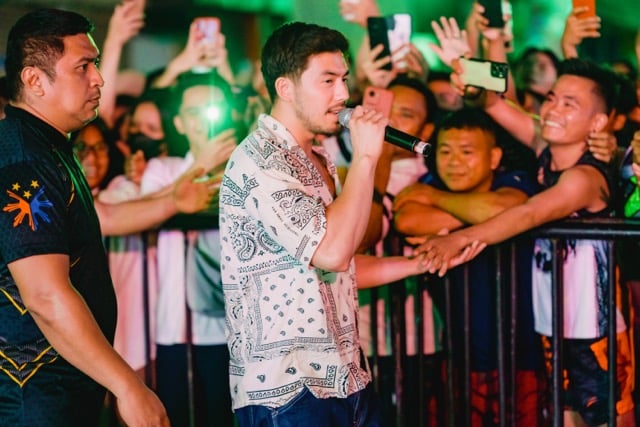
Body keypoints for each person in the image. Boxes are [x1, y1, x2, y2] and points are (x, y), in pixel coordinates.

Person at [0, 8, 215, 426]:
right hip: (34, 397)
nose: (97, 78)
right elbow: (45, 296)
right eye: (83, 66)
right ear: (34, 80)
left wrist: (174, 199)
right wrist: (128, 385)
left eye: (95, 64)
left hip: (57, 392)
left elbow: (104, 216)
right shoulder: (25, 160)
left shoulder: (47, 148)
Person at [218, 21, 429, 426]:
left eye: (345, 79)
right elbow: (331, 253)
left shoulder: (316, 157)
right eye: (328, 80)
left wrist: (423, 261)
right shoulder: (259, 161)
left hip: (345, 372)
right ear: (285, 88)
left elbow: (336, 264)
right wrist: (368, 158)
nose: (344, 95)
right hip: (286, 389)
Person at [414, 59, 635, 427]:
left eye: (570, 104)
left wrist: (462, 238)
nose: (553, 109)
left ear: (598, 123)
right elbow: (496, 105)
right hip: (553, 326)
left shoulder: (584, 176)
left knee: (610, 420)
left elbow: (531, 213)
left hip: (595, 333)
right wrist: (474, 87)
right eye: (552, 97)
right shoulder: (545, 149)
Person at [393, 107, 544, 425]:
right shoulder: (432, 181)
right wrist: (487, 217)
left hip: (523, 353)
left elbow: (506, 205)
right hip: (461, 353)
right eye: (445, 151)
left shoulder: (514, 180)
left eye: (466, 151)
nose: (454, 161)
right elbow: (408, 218)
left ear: (493, 157)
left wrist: (434, 198)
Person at [141, 72, 237, 426]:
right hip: (177, 327)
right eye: (192, 113)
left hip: (236, 327)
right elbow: (146, 209)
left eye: (209, 109)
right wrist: (202, 165)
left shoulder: (247, 168)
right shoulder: (162, 170)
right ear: (179, 122)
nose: (202, 120)